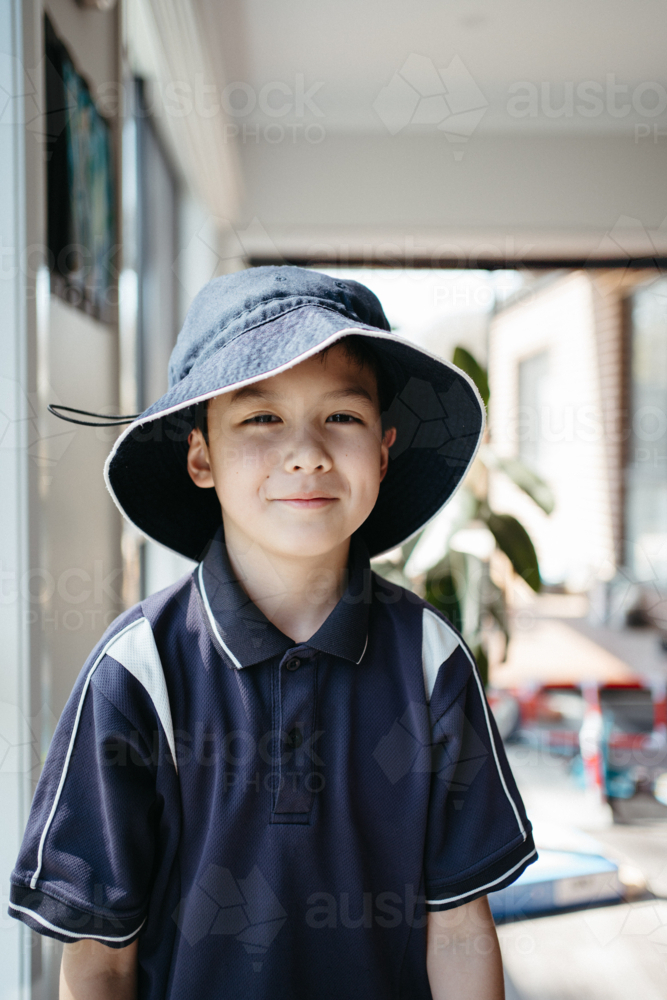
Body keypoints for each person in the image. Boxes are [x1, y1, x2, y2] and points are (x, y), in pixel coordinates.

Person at [9, 267, 536, 999]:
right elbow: (100, 960)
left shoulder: (427, 658)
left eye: (341, 418)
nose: (307, 453)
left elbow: (455, 926)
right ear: (201, 457)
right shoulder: (139, 670)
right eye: (261, 419)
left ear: (382, 453)